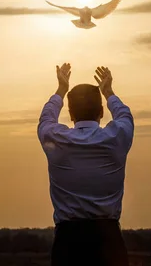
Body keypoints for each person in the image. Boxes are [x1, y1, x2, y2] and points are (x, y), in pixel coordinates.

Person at [38, 63, 134, 266]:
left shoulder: (57, 139)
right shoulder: (117, 137)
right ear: (101, 111)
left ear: (71, 115)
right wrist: (109, 93)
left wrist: (60, 90)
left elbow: (46, 119)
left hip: (68, 244)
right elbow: (124, 115)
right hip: (109, 243)